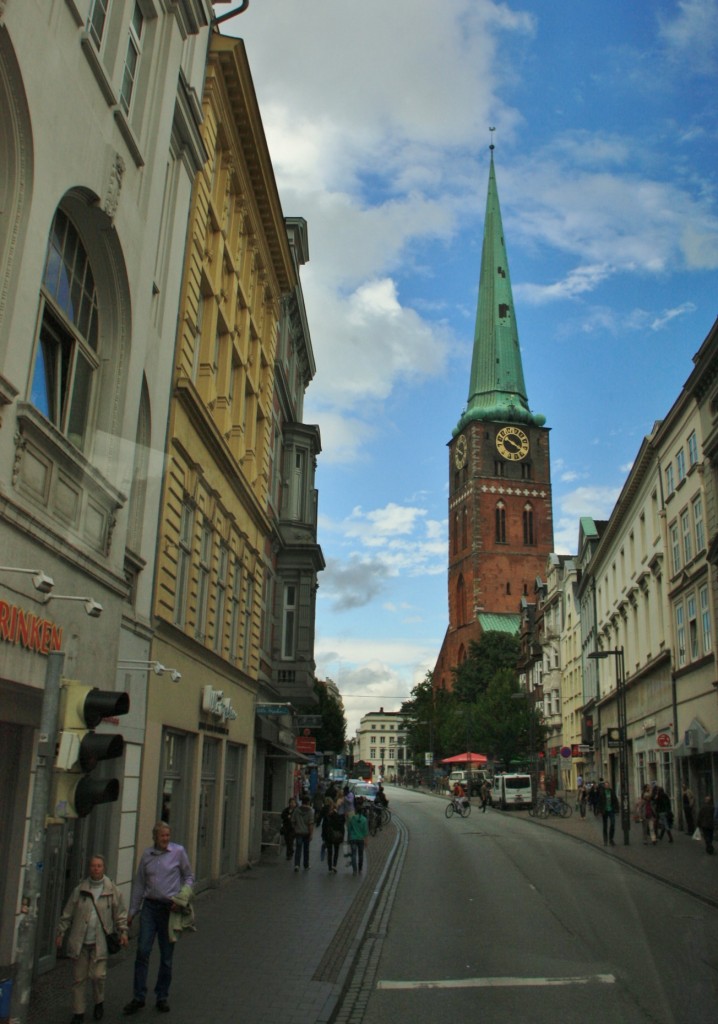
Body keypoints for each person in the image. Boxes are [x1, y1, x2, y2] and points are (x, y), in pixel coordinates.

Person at [124, 822, 194, 1015]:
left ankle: (162, 996)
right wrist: (132, 911)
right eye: (162, 836)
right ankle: (139, 996)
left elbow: (189, 877)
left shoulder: (178, 852)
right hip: (149, 907)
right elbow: (139, 884)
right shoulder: (147, 856)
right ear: (155, 837)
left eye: (168, 835)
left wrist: (182, 899)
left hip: (168, 909)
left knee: (166, 956)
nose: (166, 839)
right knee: (143, 951)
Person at [56, 854, 128, 1023]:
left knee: (97, 976)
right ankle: (78, 1012)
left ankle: (98, 1001)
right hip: (80, 942)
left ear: (103, 868)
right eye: (93, 866)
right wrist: (61, 932)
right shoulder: (80, 889)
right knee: (79, 979)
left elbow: (120, 914)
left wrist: (123, 931)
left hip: (100, 943)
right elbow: (68, 913)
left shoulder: (112, 890)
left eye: (99, 866)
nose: (96, 869)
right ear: (90, 868)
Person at [291, 794, 315, 871]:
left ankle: (297, 865)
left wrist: (295, 828)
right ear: (308, 802)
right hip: (306, 833)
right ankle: (306, 864)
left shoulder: (297, 810)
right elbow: (310, 823)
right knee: (306, 849)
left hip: (298, 832)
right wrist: (311, 834)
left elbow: (293, 821)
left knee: (298, 848)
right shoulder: (310, 811)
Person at [323, 799, 345, 873]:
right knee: (336, 851)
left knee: (330, 852)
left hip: (329, 836)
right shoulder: (339, 816)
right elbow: (342, 827)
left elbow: (324, 827)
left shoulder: (327, 816)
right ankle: (334, 865)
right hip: (337, 836)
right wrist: (342, 836)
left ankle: (330, 866)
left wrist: (324, 836)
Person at [347, 803, 369, 874]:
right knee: (361, 854)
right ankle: (360, 869)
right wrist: (366, 841)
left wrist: (349, 838)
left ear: (356, 811)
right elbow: (365, 832)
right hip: (361, 839)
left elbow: (349, 829)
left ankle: (354, 870)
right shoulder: (364, 820)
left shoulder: (352, 818)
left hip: (353, 838)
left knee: (353, 854)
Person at [598, 780, 617, 846]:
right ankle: (605, 840)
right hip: (605, 811)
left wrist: (616, 808)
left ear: (609, 785)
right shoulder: (602, 792)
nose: (606, 786)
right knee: (605, 826)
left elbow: (615, 800)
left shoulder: (611, 792)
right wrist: (600, 811)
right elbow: (600, 802)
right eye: (605, 785)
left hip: (611, 810)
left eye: (607, 785)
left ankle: (611, 839)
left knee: (612, 824)